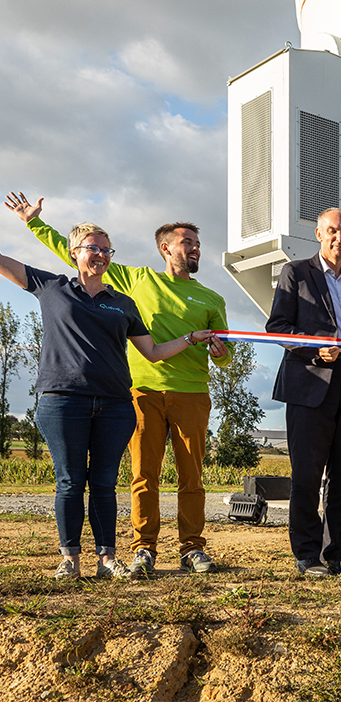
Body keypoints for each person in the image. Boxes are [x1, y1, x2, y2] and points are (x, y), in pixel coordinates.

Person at [5, 192, 231, 579]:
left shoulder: (210, 297)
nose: (195, 248)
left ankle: (191, 549)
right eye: (186, 242)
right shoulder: (134, 278)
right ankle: (143, 549)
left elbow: (223, 355)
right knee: (142, 475)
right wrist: (34, 223)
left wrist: (217, 349)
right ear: (165, 248)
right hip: (138, 391)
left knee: (190, 477)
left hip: (189, 392)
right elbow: (76, 251)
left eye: (197, 243)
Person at [266, 208, 341, 577]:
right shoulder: (296, 273)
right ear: (319, 234)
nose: (340, 238)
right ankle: (306, 553)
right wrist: (317, 347)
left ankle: (335, 551)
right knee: (306, 474)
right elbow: (279, 327)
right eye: (333, 231)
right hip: (309, 388)